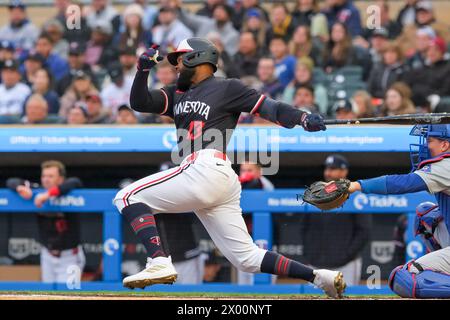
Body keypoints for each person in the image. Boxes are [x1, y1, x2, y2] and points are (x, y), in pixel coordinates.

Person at [113, 37, 346, 298]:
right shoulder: (175, 93)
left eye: (179, 58)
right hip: (213, 177)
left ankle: (159, 261)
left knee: (127, 196)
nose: (176, 65)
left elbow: (271, 108)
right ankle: (318, 277)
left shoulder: (227, 88)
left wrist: (302, 117)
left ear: (196, 58)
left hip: (205, 166)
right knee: (246, 258)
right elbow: (140, 103)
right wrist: (142, 70)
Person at [347, 125, 450, 298]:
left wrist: (356, 185)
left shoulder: (446, 165)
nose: (425, 146)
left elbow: (403, 183)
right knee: (426, 215)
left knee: (405, 277)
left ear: (445, 145)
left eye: (429, 141)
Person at [6, 160, 84, 284]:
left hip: (70, 257)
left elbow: (75, 181)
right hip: (47, 255)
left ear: (60, 179)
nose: (46, 179)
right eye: (44, 176)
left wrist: (48, 194)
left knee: (68, 295)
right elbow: (11, 181)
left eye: (51, 176)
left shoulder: (68, 189)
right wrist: (20, 188)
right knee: (47, 293)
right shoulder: (37, 190)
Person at [302, 155, 371, 286]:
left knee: (345, 296)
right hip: (315, 263)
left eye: (333, 169)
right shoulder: (315, 195)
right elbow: (304, 227)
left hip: (345, 264)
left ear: (344, 171)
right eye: (327, 168)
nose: (328, 172)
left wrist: (347, 255)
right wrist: (309, 254)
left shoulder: (355, 195)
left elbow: (364, 231)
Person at [237, 161, 274, 285]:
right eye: (243, 170)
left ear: (259, 172)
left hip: (264, 238)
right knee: (244, 281)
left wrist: (240, 181)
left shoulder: (263, 183)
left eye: (249, 170)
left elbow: (254, 185)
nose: (245, 173)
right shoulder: (241, 183)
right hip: (245, 238)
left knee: (264, 279)